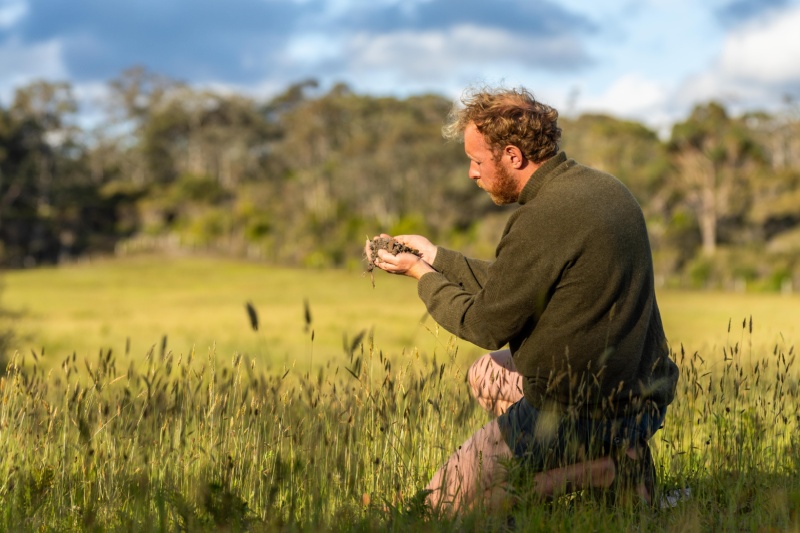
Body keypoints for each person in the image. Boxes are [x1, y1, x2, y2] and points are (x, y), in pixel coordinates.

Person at [366, 86, 679, 514]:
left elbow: (485, 324)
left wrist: (419, 275)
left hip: (587, 412)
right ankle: (613, 467)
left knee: (444, 508)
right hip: (642, 395)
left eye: (477, 162)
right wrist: (436, 256)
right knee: (487, 375)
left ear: (513, 156)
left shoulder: (544, 217)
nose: (472, 174)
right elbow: (511, 285)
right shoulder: (600, 189)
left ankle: (607, 470)